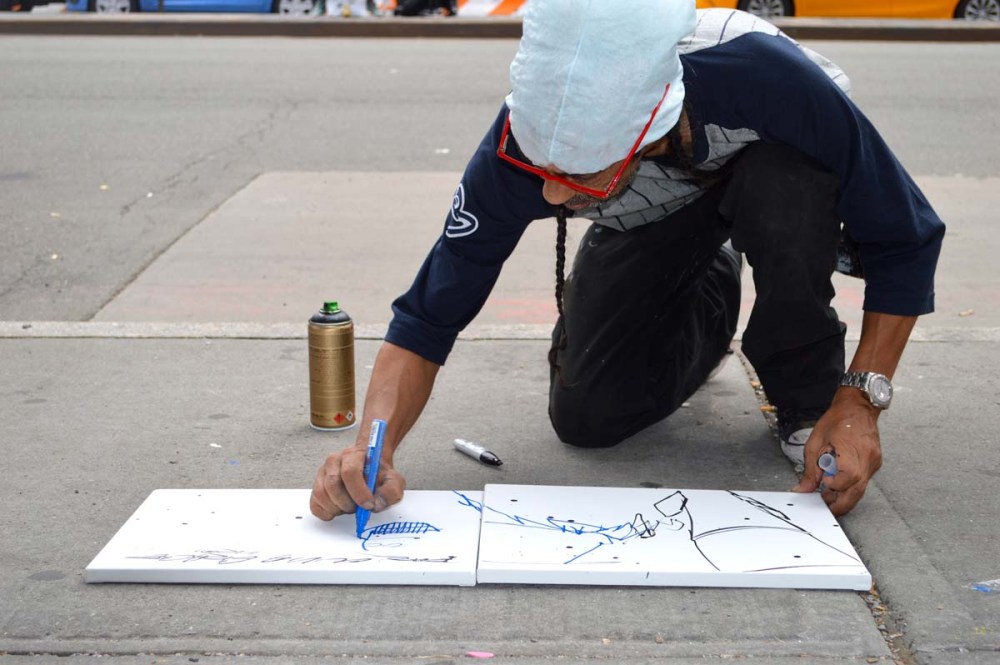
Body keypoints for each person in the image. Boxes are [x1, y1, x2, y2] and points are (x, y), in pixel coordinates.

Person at [310, 0, 945, 520]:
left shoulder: (774, 78)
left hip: (772, 182)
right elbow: (427, 317)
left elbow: (906, 237)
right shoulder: (515, 146)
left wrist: (861, 403)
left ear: (652, 128)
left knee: (787, 185)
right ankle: (710, 286)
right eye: (542, 171)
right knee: (589, 416)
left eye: (578, 178)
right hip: (653, 219)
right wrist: (373, 446)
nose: (554, 194)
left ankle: (807, 398)